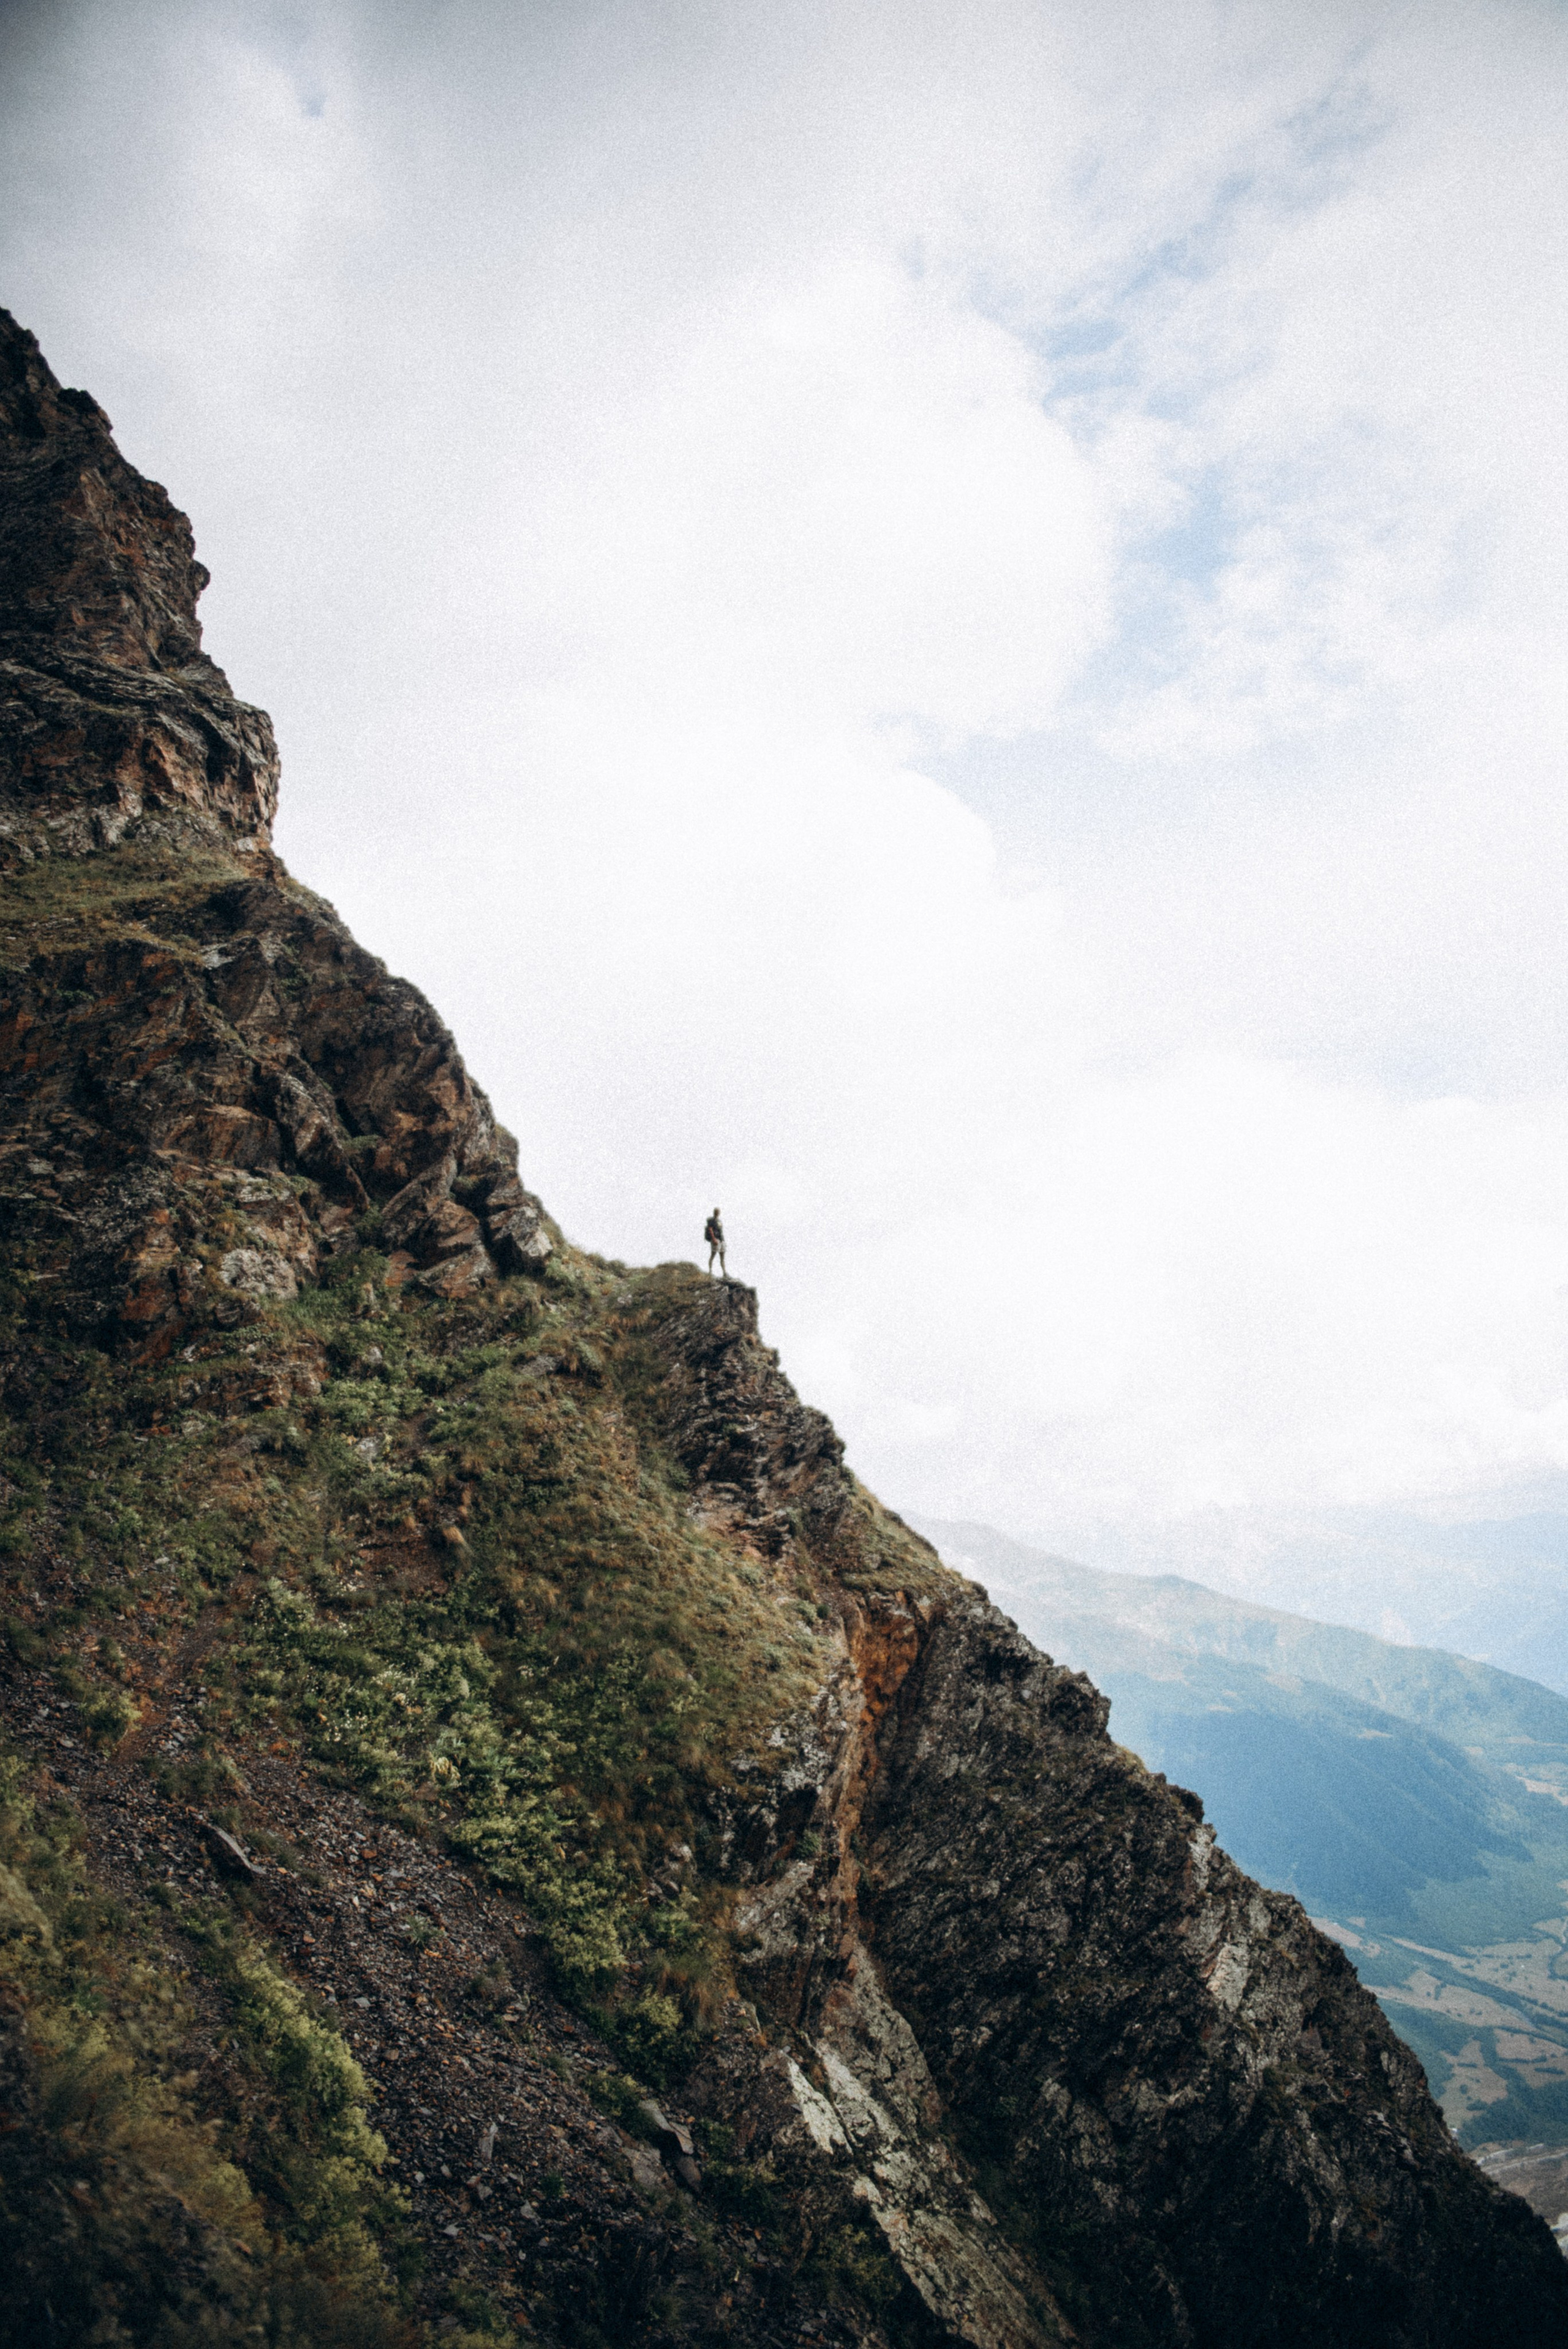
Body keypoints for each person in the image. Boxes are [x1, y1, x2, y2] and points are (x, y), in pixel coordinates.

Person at [704, 1207, 727, 1276]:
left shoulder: (719, 1221)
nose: (718, 1213)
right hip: (715, 1239)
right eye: (717, 1212)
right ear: (714, 1212)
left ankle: (724, 1272)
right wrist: (713, 1239)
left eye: (719, 1212)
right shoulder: (712, 1220)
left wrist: (723, 1240)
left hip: (721, 1239)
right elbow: (710, 1229)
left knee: (722, 1257)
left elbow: (720, 1230)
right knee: (713, 1255)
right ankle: (710, 1271)